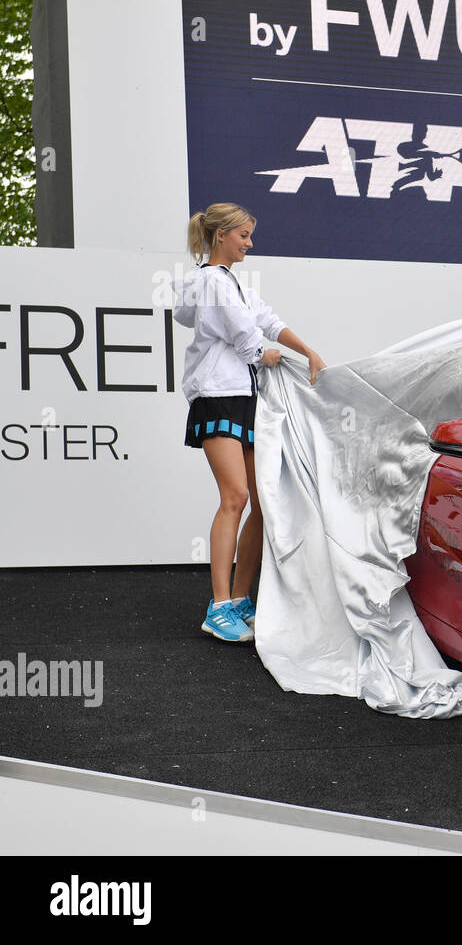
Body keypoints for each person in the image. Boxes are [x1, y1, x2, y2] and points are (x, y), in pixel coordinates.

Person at [176, 203, 326, 643]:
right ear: (221, 235)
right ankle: (219, 606)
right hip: (216, 398)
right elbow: (248, 339)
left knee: (262, 502)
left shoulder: (232, 284)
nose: (249, 243)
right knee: (235, 497)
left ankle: (240, 600)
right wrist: (268, 355)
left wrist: (308, 352)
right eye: (243, 235)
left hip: (243, 399)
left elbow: (267, 321)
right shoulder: (210, 283)